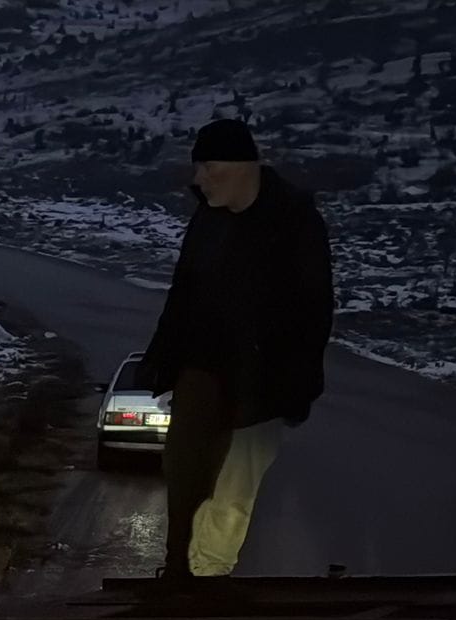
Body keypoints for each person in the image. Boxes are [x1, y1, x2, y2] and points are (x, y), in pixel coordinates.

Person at [136, 117, 335, 580]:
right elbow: (182, 294)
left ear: (246, 166)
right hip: (203, 364)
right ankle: (178, 570)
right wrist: (159, 362)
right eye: (198, 168)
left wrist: (299, 386)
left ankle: (207, 575)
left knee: (234, 485)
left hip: (264, 377)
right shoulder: (208, 221)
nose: (198, 179)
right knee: (185, 468)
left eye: (209, 167)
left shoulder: (295, 220)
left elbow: (315, 309)